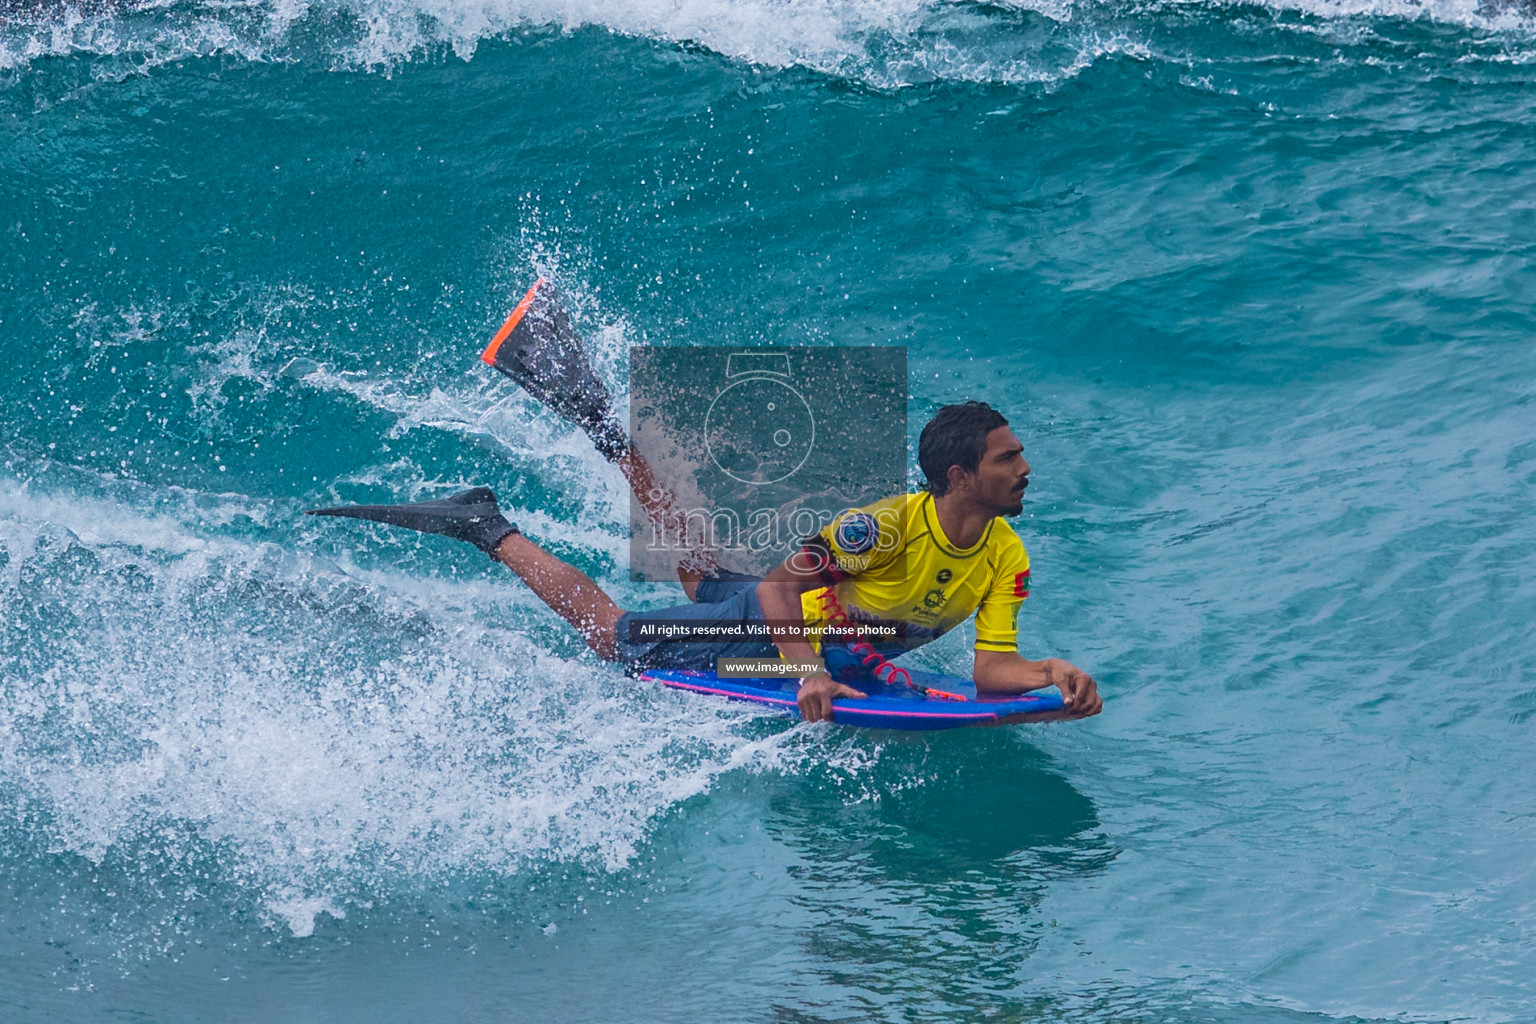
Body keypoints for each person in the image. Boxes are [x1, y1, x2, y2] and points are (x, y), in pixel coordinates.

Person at [307, 279, 1101, 723]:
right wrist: (804, 675)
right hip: (773, 627)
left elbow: (994, 670)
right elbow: (782, 587)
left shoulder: (1006, 556)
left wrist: (1050, 674)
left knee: (699, 567)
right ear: (960, 477)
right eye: (1009, 457)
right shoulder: (882, 529)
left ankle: (585, 403)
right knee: (616, 639)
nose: (1026, 467)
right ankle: (485, 525)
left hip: (802, 630)